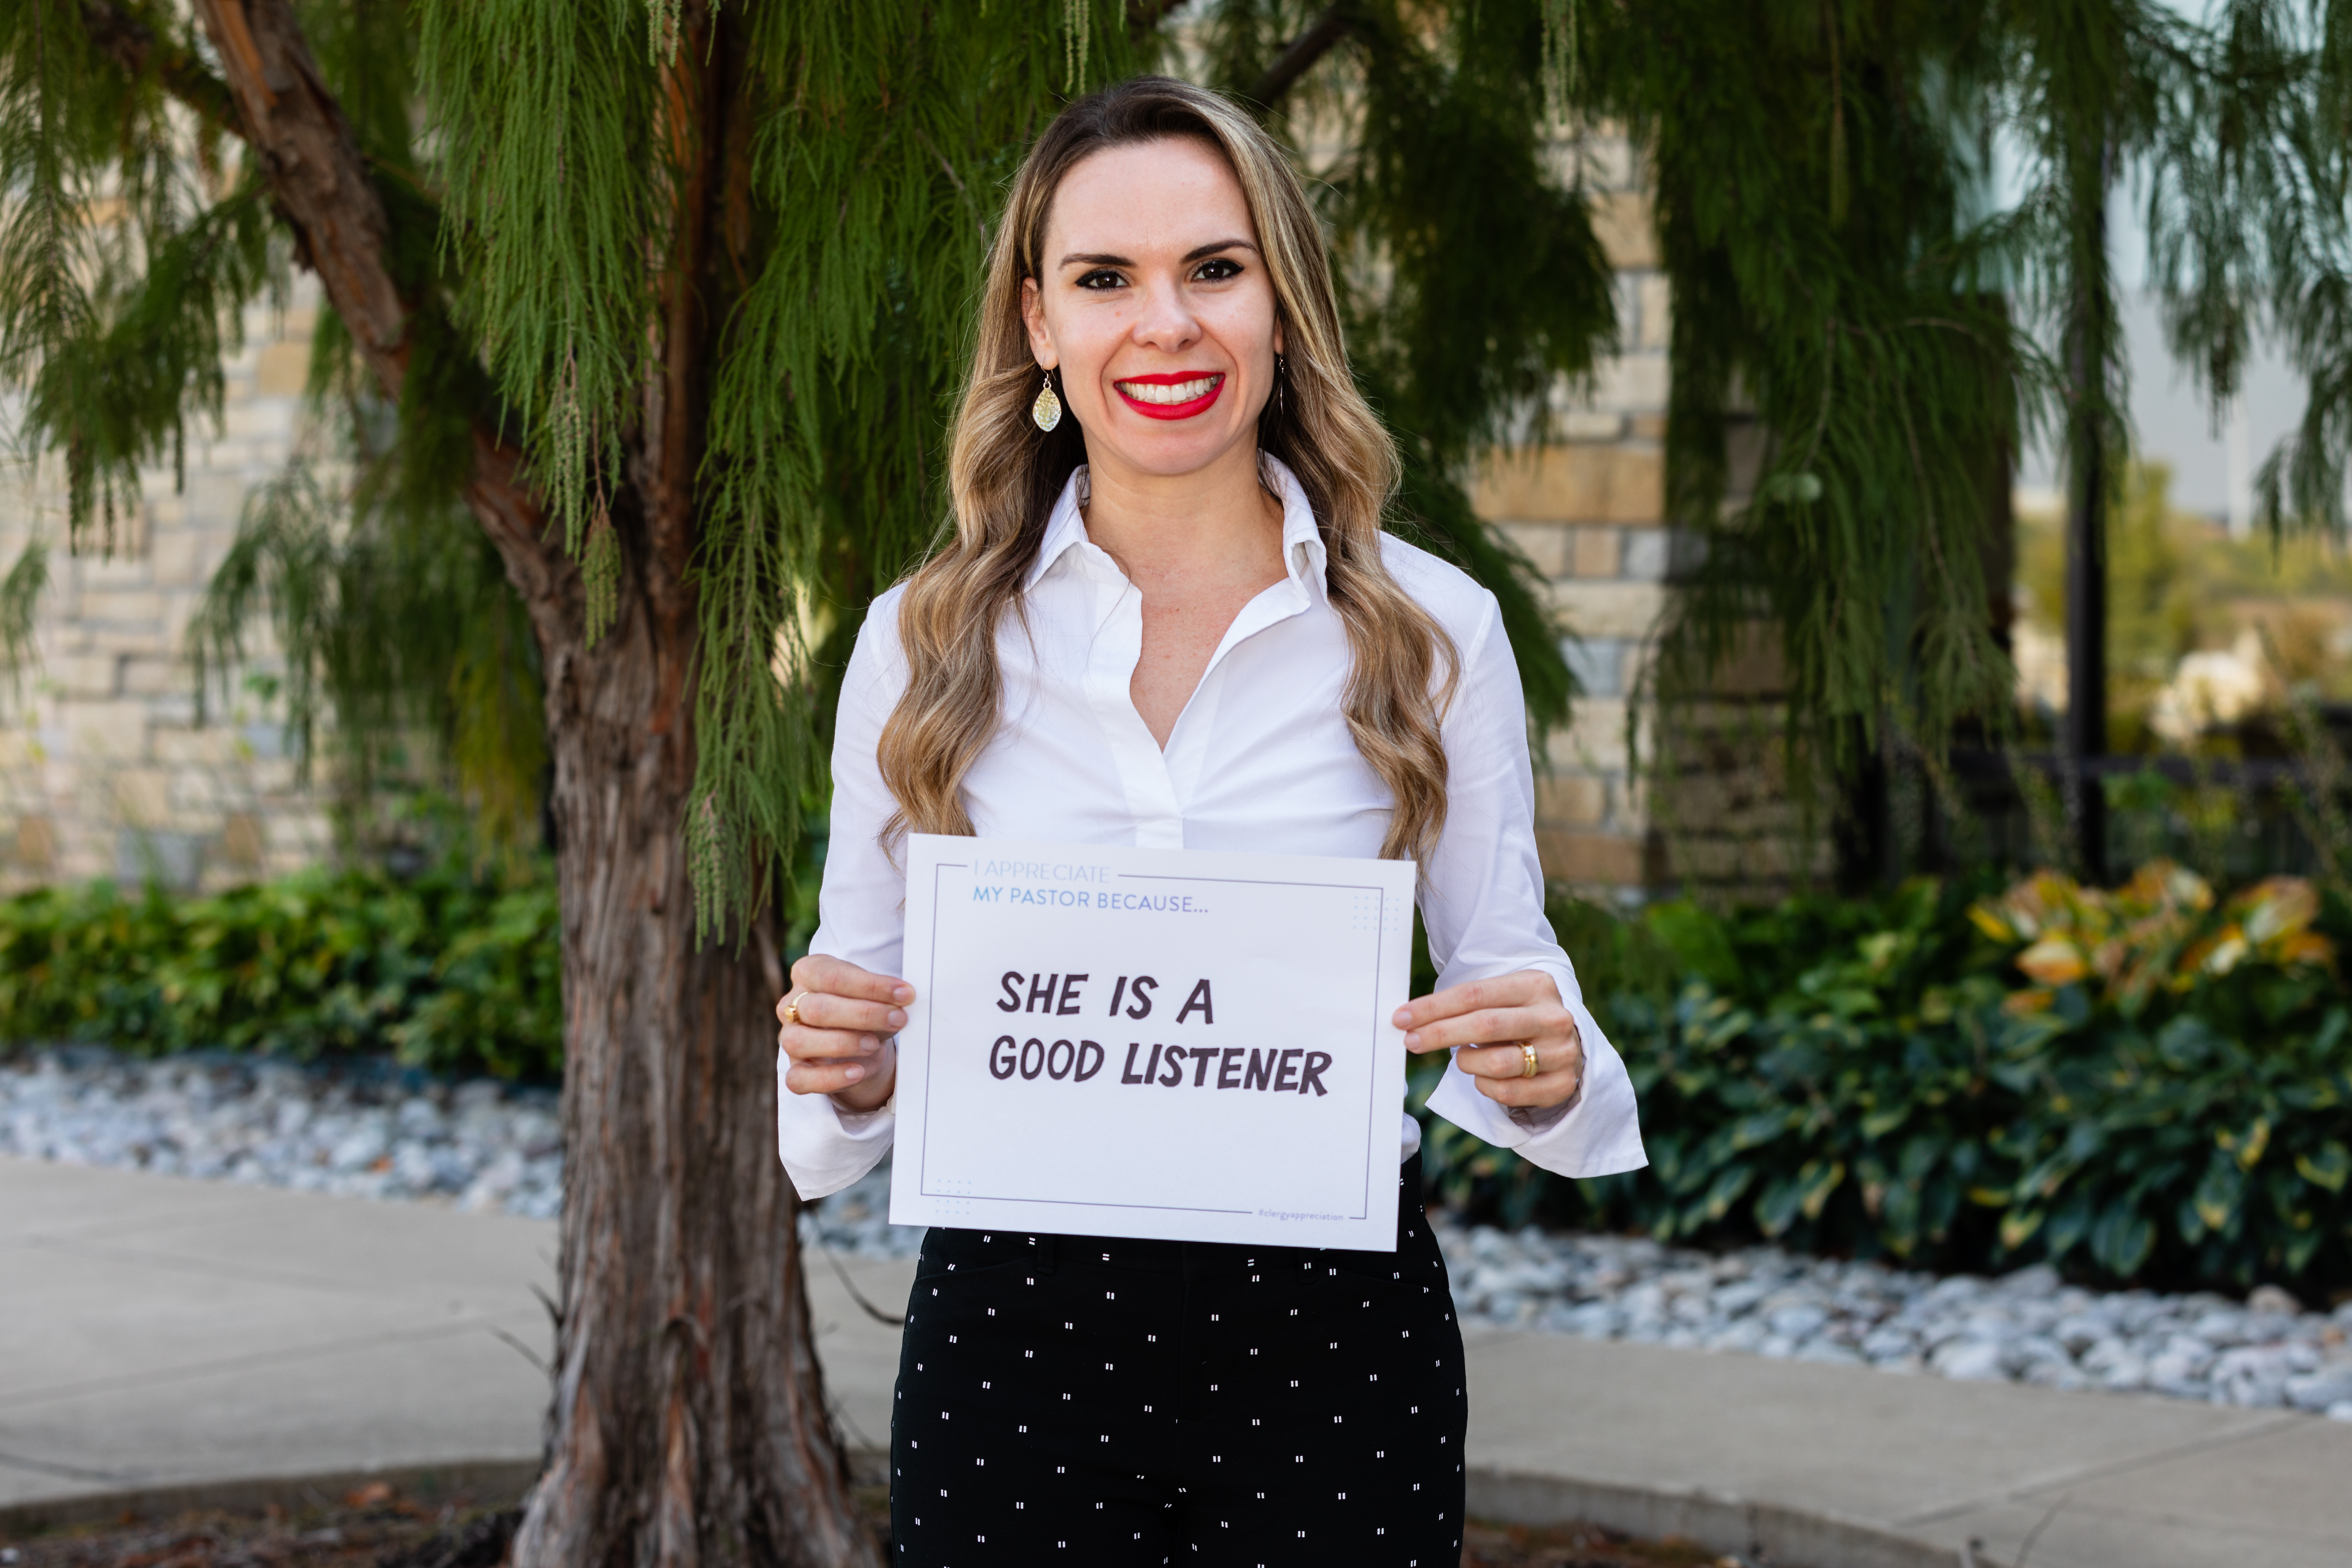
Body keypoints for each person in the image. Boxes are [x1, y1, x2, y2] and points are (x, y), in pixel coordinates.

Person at [777, 75, 1644, 1566]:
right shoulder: (918, 643)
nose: (1162, 323)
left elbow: (1513, 970)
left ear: (1283, 306)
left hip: (1335, 1343)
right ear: (1041, 325)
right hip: (1016, 1343)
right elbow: (847, 1057)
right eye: (1104, 278)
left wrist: (1549, 1056)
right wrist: (842, 1061)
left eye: (1215, 270)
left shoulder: (1435, 629)